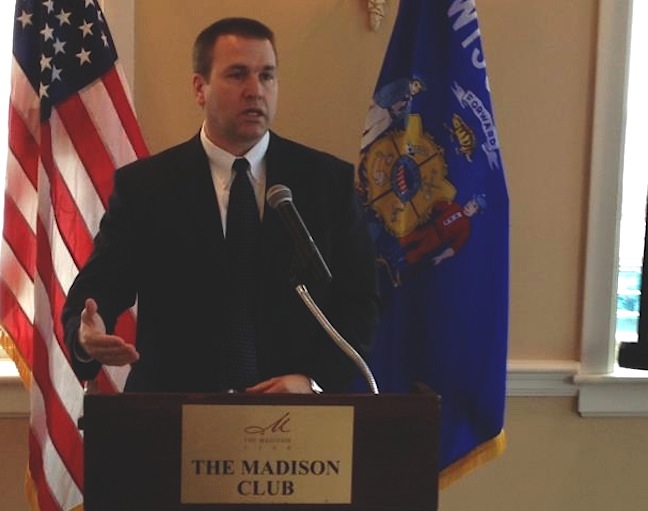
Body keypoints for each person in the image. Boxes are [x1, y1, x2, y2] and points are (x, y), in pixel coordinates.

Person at [61, 17, 379, 394]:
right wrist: (87, 333)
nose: (255, 91)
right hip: (173, 414)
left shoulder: (325, 183)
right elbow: (100, 287)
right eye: (238, 75)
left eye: (267, 76)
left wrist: (312, 381)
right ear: (200, 87)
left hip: (294, 421)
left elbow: (360, 302)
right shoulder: (146, 187)